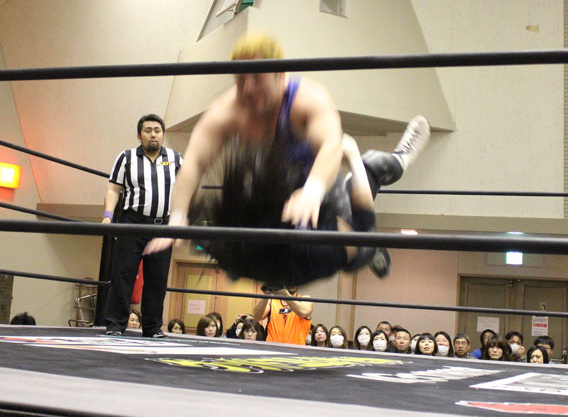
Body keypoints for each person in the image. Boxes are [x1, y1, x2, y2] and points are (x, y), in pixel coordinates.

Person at [143, 31, 430, 287]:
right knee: (243, 230)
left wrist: (313, 190)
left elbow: (332, 145)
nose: (248, 89)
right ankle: (365, 240)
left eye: (257, 78)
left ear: (280, 75)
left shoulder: (307, 98)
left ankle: (397, 161)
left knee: (368, 172)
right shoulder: (227, 111)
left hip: (320, 183)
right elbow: (194, 162)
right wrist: (177, 216)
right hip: (273, 191)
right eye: (240, 79)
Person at [102, 114, 183, 338]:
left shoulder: (176, 159)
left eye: (157, 130)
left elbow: (186, 190)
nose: (153, 134)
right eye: (148, 130)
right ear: (139, 135)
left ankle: (153, 327)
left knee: (157, 278)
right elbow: (113, 189)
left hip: (162, 226)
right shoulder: (126, 158)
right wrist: (108, 216)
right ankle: (115, 325)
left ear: (163, 134)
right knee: (123, 274)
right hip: (132, 223)